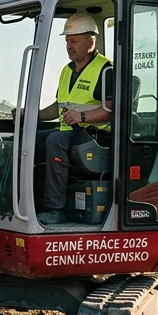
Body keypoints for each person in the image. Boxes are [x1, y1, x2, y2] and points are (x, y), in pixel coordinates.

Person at [36, 13, 114, 225]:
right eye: (67, 41)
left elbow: (114, 109)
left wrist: (82, 116)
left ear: (90, 42)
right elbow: (59, 106)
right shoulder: (66, 71)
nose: (69, 46)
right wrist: (33, 115)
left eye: (74, 41)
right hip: (71, 132)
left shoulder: (106, 69)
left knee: (55, 141)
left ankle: (55, 209)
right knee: (29, 140)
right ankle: (29, 202)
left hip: (96, 136)